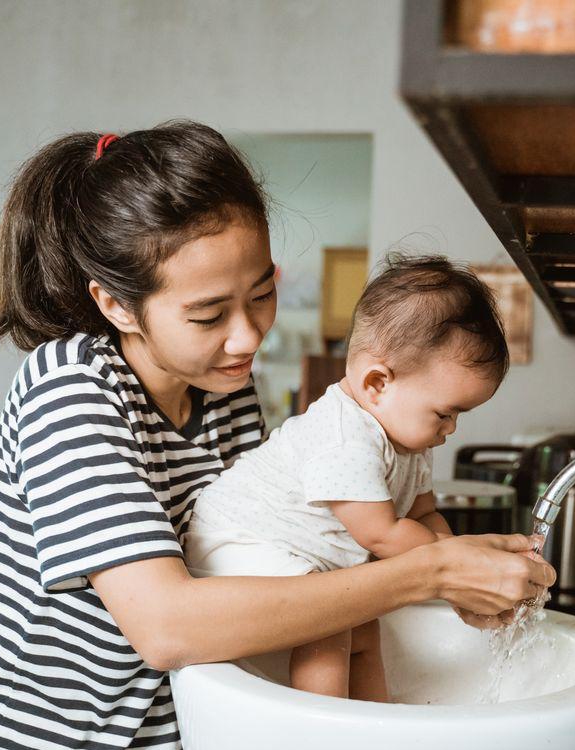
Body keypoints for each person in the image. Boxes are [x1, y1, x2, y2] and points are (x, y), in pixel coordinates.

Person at [0, 120, 554, 750]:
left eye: (261, 293)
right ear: (117, 305)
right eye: (208, 314)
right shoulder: (71, 389)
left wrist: (451, 573)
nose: (247, 336)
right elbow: (166, 627)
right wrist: (430, 570)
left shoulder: (221, 389)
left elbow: (268, 558)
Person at [186, 256, 512, 700]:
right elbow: (382, 535)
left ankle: (378, 718)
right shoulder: (344, 436)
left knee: (365, 628)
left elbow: (426, 515)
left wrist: (457, 563)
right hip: (236, 540)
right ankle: (324, 732)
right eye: (445, 412)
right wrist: (455, 565)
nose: (451, 428)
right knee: (329, 627)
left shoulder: (410, 440)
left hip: (302, 555)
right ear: (378, 383)